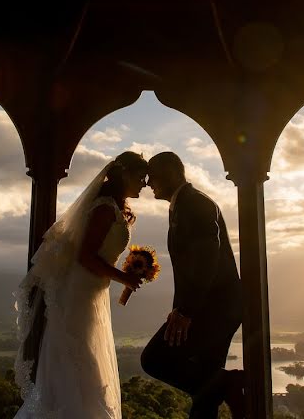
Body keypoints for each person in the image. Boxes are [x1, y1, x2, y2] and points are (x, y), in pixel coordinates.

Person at [13, 151, 149, 418]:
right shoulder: (104, 208)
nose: (144, 183)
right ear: (125, 175)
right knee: (78, 357)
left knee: (86, 357)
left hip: (93, 290)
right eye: (140, 177)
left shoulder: (114, 207)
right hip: (80, 292)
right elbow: (85, 256)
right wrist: (124, 278)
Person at [140, 151, 245, 419]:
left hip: (215, 308)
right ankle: (220, 384)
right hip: (214, 307)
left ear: (173, 173)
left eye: (153, 175)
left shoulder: (195, 204)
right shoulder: (183, 204)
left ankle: (227, 383)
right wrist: (179, 309)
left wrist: (186, 311)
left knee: (154, 359)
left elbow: (207, 259)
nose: (148, 182)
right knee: (205, 390)